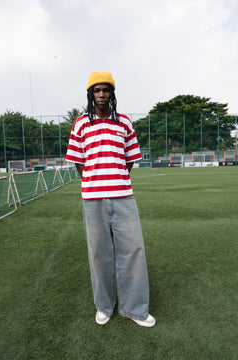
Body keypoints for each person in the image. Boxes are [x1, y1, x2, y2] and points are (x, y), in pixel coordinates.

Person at [66, 71, 156, 327]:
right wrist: (94, 183)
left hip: (124, 197)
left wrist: (115, 181)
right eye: (97, 90)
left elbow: (129, 160)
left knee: (133, 251)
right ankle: (104, 306)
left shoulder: (124, 123)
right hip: (93, 200)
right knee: (98, 254)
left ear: (112, 93)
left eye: (106, 90)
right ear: (90, 94)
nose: (102, 94)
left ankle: (134, 309)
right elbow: (78, 163)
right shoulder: (81, 124)